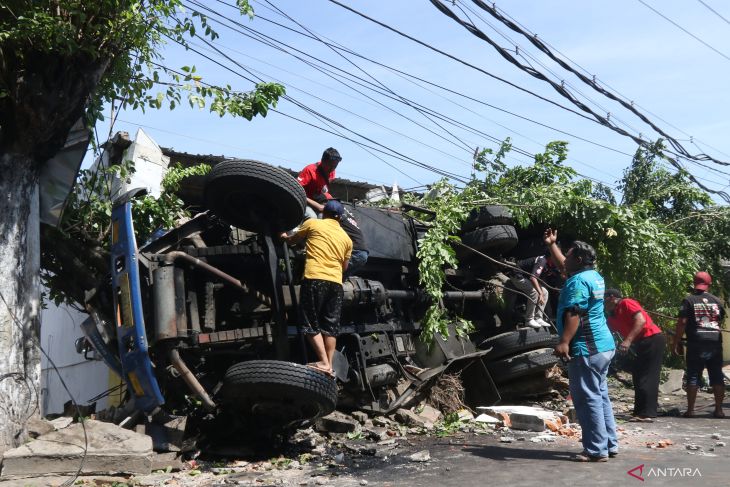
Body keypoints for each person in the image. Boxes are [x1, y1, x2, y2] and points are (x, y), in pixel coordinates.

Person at [544, 228, 618, 462]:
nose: (563, 259)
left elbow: (575, 313)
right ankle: (609, 444)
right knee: (600, 396)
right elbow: (565, 266)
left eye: (568, 255)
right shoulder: (593, 276)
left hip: (587, 347)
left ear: (577, 259)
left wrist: (564, 341)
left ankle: (596, 450)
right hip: (604, 346)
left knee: (587, 399)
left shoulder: (577, 282)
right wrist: (551, 245)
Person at [282, 200, 352, 376]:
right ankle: (329, 366)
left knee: (309, 322)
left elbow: (293, 240)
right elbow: (345, 267)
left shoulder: (313, 223)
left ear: (324, 213)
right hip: (336, 283)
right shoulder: (347, 239)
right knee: (330, 327)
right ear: (340, 218)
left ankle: (322, 362)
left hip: (315, 278)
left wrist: (283, 236)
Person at [604, 289, 665, 421]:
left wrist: (628, 340)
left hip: (652, 338)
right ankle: (640, 411)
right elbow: (606, 330)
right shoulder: (613, 315)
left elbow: (641, 321)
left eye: (604, 299)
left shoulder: (626, 303)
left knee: (647, 376)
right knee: (638, 375)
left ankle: (646, 413)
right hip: (640, 343)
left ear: (611, 297)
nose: (603, 303)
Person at [672, 271, 726, 418]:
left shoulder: (689, 301)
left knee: (693, 375)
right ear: (709, 284)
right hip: (715, 342)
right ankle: (719, 410)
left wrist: (675, 342)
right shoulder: (717, 301)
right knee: (716, 376)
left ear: (694, 283)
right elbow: (719, 319)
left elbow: (682, 322)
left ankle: (690, 411)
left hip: (696, 343)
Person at [298, 147, 341, 219]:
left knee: (330, 217)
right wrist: (318, 206)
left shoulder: (332, 171)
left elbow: (323, 191)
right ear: (323, 161)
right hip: (304, 202)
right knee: (312, 217)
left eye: (335, 166)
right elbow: (297, 192)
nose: (332, 169)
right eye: (330, 166)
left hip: (319, 201)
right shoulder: (309, 170)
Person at [509, 254, 551, 328]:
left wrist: (541, 293)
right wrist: (540, 294)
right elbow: (533, 278)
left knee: (545, 292)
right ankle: (529, 320)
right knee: (534, 292)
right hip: (517, 276)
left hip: (527, 277)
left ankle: (538, 318)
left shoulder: (548, 263)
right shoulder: (542, 260)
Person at [340, 204, 369, 278]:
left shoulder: (339, 214)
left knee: (334, 274)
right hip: (363, 253)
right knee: (340, 278)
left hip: (355, 252)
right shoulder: (348, 214)